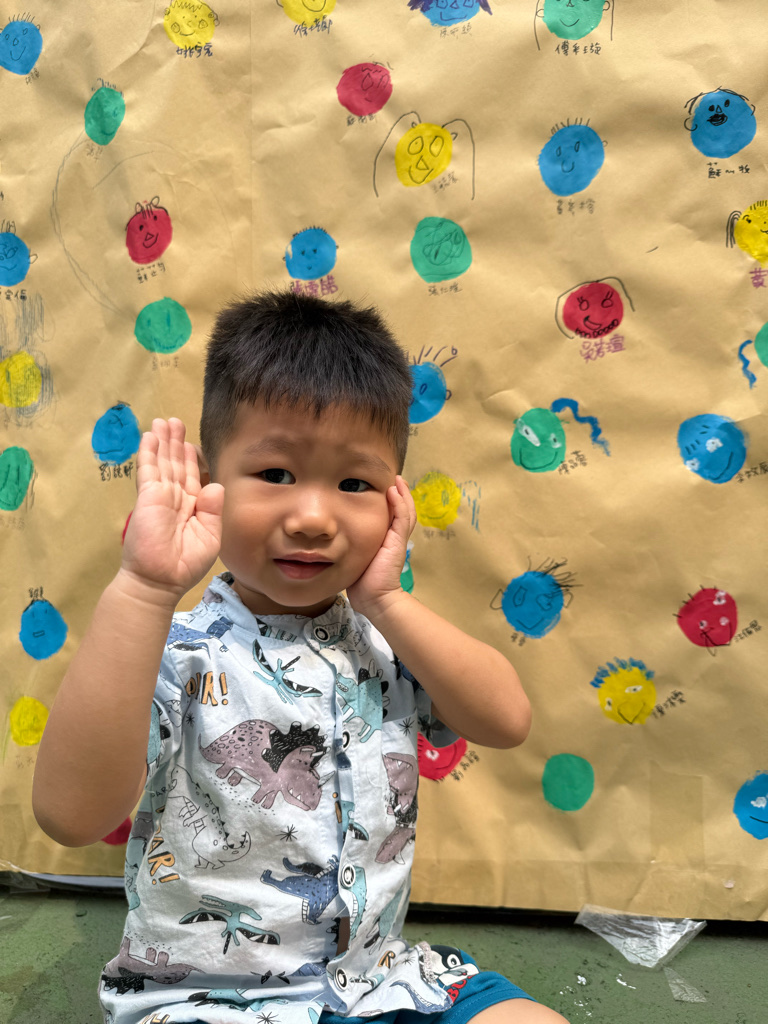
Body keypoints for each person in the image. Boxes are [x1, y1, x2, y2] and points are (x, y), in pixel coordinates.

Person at [33, 291, 568, 1024]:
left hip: (379, 983)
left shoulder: (390, 643)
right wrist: (143, 589)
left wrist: (388, 601)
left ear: (395, 502)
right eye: (276, 474)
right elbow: (70, 816)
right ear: (208, 481)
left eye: (354, 484)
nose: (313, 517)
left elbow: (506, 721)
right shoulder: (174, 650)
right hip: (209, 1002)